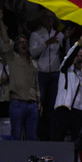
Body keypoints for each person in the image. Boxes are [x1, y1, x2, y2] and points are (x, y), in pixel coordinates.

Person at [29, 9, 74, 140]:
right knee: (40, 105)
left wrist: (66, 39)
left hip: (55, 73)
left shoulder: (59, 35)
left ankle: (53, 136)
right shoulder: (36, 35)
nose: (49, 19)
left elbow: (66, 53)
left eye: (51, 17)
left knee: (54, 105)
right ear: (42, 19)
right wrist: (46, 43)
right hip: (41, 73)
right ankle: (37, 134)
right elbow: (32, 53)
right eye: (47, 17)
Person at [1, 14, 41, 141]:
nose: (24, 44)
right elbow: (6, 41)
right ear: (16, 46)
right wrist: (1, 21)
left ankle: (30, 161)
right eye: (21, 43)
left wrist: (39, 102)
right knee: (16, 136)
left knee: (32, 137)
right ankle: (14, 161)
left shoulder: (34, 62)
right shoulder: (13, 58)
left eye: (26, 42)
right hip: (17, 103)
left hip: (32, 104)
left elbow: (36, 84)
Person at [53, 35, 82, 142]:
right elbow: (68, 58)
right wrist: (78, 44)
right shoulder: (66, 69)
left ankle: (76, 159)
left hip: (79, 112)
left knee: (77, 142)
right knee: (57, 139)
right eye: (77, 56)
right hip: (64, 109)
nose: (80, 58)